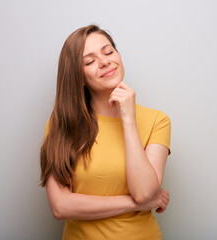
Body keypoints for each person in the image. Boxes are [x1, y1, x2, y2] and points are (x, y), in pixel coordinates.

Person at [40, 25, 171, 240]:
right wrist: (135, 204)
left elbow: (144, 192)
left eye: (109, 51)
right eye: (89, 61)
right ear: (78, 77)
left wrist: (128, 118)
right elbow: (60, 206)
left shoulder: (158, 121)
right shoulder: (61, 124)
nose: (104, 62)